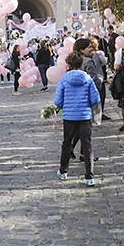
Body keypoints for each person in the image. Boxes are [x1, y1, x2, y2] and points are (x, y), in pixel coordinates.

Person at [54, 52, 101, 186]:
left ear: (68, 64)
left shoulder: (63, 79)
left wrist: (65, 106)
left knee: (67, 143)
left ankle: (63, 172)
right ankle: (89, 176)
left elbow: (58, 101)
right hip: (84, 116)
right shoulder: (87, 78)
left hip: (69, 116)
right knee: (87, 145)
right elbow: (95, 98)